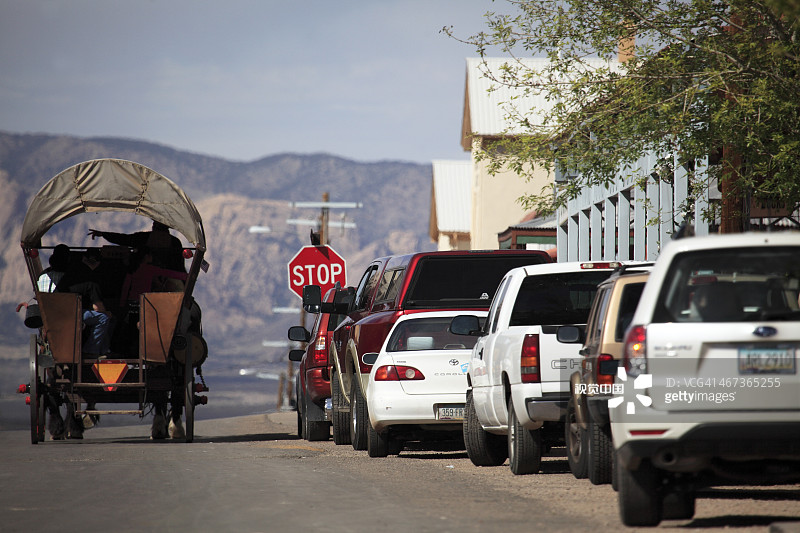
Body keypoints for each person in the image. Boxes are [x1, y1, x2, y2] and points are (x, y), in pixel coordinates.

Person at [89, 220, 185, 273]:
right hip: (169, 275)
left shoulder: (145, 237)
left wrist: (103, 234)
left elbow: (124, 239)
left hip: (143, 273)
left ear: (155, 226)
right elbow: (179, 263)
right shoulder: (175, 241)